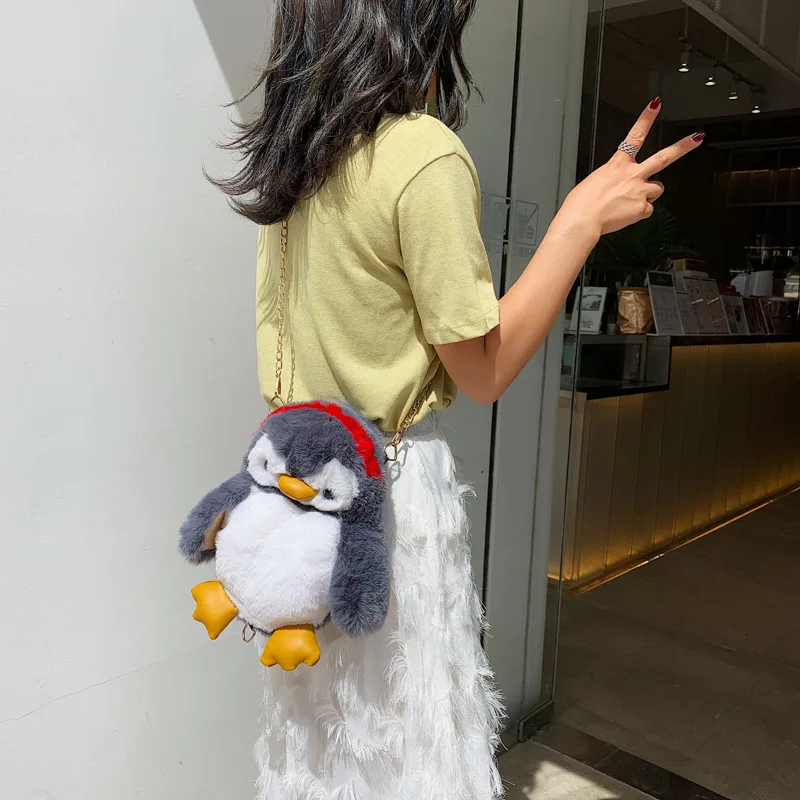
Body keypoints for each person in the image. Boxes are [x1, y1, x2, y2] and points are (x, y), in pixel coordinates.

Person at [211, 3, 703, 798]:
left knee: (324, 743)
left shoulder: (295, 157)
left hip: (294, 493)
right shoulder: (420, 152)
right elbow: (482, 371)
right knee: (406, 742)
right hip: (385, 494)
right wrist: (577, 222)